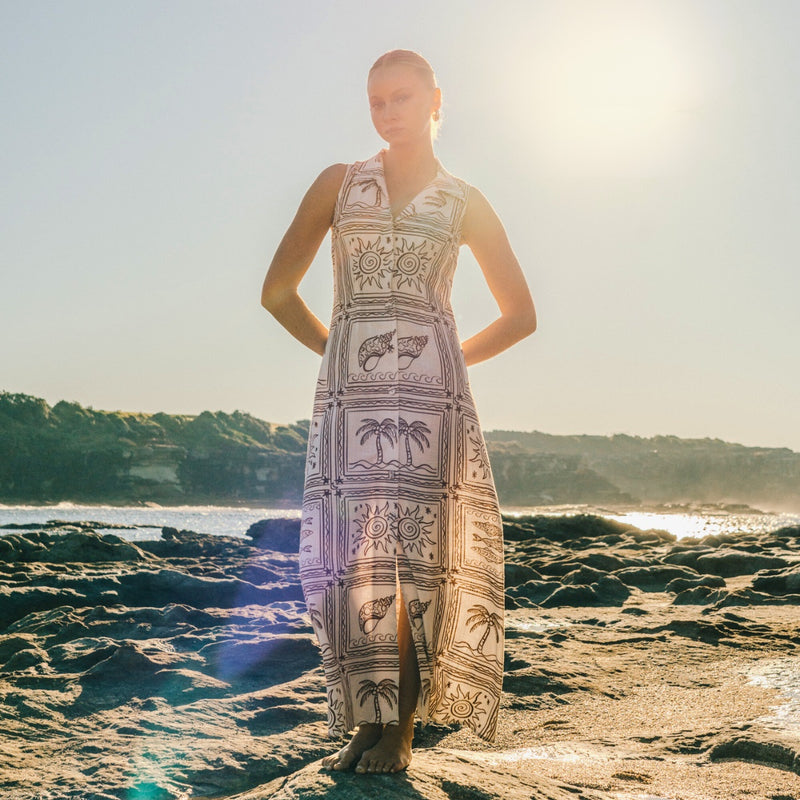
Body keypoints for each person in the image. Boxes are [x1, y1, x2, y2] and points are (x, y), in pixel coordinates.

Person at [261, 49, 536, 775]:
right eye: (376, 101)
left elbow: (520, 314)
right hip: (349, 408)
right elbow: (276, 291)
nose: (388, 112)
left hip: (432, 409)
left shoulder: (464, 201)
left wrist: (441, 362)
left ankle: (402, 729)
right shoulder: (338, 184)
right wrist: (339, 356)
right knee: (354, 565)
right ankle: (364, 720)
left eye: (402, 97)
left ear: (435, 99)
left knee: (417, 566)